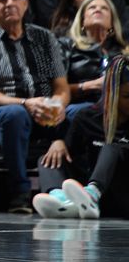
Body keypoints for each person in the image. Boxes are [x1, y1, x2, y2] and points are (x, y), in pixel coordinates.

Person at [0, 0, 70, 213]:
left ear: (25, 4)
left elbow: (62, 88)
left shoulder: (44, 38)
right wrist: (26, 103)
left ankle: (80, 190)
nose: (10, 3)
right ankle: (20, 192)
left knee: (82, 113)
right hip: (4, 113)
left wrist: (56, 106)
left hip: (46, 110)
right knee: (14, 114)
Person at [33, 55, 129, 219]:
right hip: (87, 198)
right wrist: (59, 142)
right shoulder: (87, 117)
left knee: (111, 147)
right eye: (127, 97)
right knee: (47, 158)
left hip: (122, 194)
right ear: (111, 94)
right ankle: (61, 201)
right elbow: (69, 157)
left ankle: (92, 193)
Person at [59, 0, 126, 117]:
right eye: (92, 7)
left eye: (104, 8)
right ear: (82, 20)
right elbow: (55, 90)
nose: (98, 9)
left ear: (112, 23)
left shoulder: (123, 53)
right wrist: (93, 85)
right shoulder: (66, 45)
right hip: (79, 107)